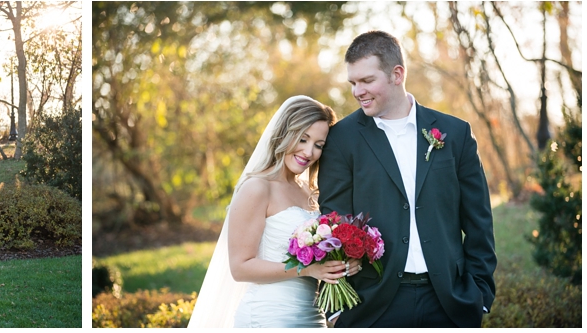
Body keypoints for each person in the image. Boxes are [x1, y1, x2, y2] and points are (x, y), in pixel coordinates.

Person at [318, 30, 496, 327]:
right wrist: (340, 308)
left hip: (449, 302)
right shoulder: (341, 139)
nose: (357, 91)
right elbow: (334, 221)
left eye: (367, 81)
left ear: (397, 74)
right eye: (352, 82)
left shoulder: (455, 134)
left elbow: (479, 221)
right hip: (373, 305)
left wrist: (480, 294)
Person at [189, 95, 362, 328]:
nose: (309, 152)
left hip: (312, 317)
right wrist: (309, 269)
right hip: (268, 316)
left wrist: (340, 266)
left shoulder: (311, 193)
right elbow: (241, 267)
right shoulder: (257, 188)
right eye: (303, 139)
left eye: (318, 145)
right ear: (284, 134)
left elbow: (318, 263)